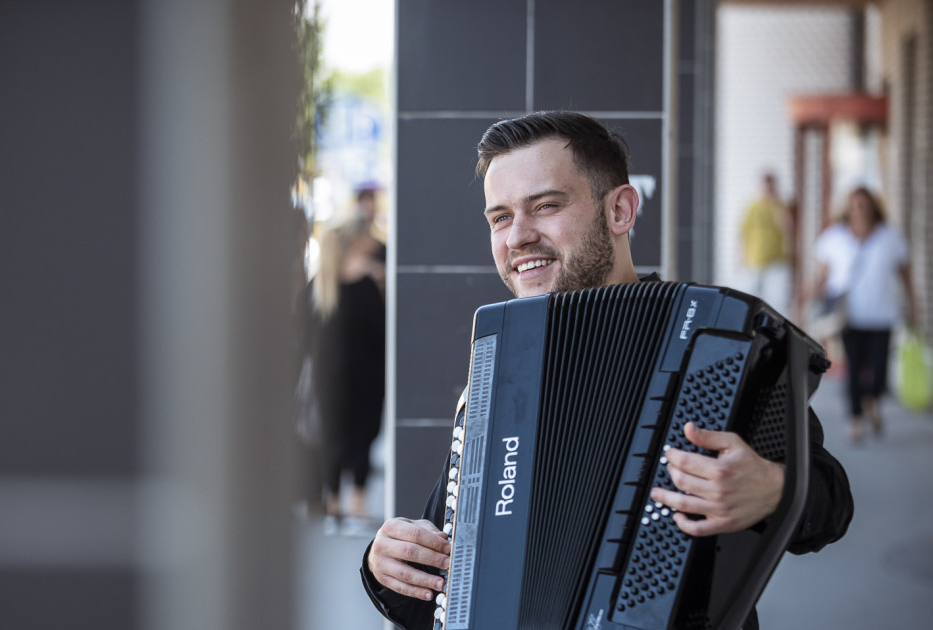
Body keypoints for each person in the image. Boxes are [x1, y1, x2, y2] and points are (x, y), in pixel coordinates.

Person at [359, 111, 853, 629]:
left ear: (620, 210)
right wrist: (384, 564)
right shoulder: (503, 368)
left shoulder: (714, 338)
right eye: (500, 218)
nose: (517, 237)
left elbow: (832, 499)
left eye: (545, 206)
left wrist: (774, 488)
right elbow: (438, 576)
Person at [812, 187, 918, 444]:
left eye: (864, 204)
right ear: (847, 208)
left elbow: (905, 275)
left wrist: (914, 305)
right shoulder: (835, 237)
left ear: (873, 206)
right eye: (855, 205)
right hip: (848, 316)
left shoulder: (889, 237)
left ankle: (871, 398)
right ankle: (855, 419)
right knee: (854, 367)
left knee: (879, 370)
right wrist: (808, 300)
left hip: (882, 314)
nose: (859, 209)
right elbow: (822, 274)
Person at [311, 196, 386, 529]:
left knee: (333, 436)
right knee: (362, 436)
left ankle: (332, 503)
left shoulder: (322, 284)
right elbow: (380, 330)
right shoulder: (366, 284)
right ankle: (356, 505)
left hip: (327, 373)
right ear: (357, 241)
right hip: (366, 374)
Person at [739, 172, 793, 313]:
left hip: (776, 260)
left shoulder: (780, 206)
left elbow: (787, 227)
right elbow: (743, 233)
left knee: (777, 301)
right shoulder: (753, 207)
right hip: (755, 260)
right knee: (748, 298)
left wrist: (775, 204)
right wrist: (741, 257)